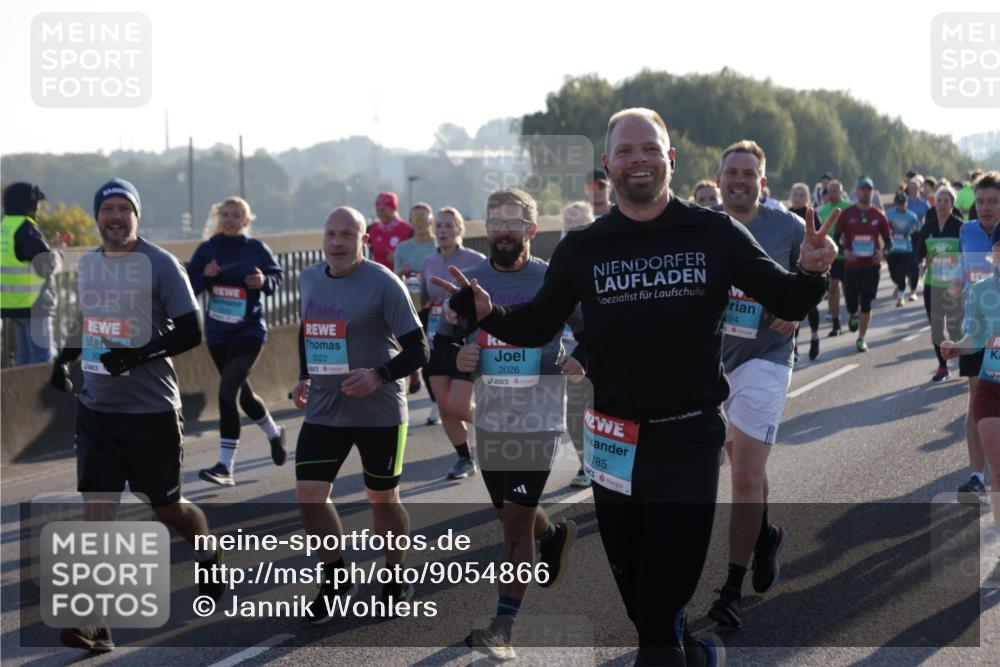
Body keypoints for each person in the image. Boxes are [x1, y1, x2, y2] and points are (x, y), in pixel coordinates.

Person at [435, 108, 836, 666]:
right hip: (612, 441)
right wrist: (488, 313)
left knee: (655, 624)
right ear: (608, 166)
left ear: (670, 159)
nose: (638, 160)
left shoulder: (714, 232)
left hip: (687, 438)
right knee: (643, 609)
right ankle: (692, 653)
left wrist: (813, 272)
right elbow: (535, 325)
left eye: (649, 148)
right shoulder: (583, 247)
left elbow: (787, 299)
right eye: (625, 152)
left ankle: (671, 649)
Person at [49, 178, 224, 652]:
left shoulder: (160, 265)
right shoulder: (89, 264)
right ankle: (93, 622)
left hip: (151, 413)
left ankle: (207, 552)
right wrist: (63, 360)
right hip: (97, 411)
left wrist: (137, 356)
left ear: (137, 216)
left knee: (167, 507)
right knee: (97, 515)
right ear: (97, 216)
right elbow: (88, 320)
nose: (116, 216)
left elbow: (191, 331)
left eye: (125, 208)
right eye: (108, 208)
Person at [433, 188, 579, 662]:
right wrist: (461, 354)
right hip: (490, 415)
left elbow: (588, 329)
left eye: (513, 222)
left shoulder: (554, 278)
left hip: (539, 416)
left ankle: (502, 626)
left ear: (531, 231)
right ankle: (553, 535)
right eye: (495, 222)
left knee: (513, 524)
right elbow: (442, 344)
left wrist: (572, 357)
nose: (502, 230)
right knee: (511, 514)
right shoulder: (469, 279)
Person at [292, 206, 430, 623]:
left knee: (382, 501)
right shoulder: (310, 278)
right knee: (309, 497)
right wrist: (303, 375)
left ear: (364, 240)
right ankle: (336, 576)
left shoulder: (384, 284)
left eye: (346, 235)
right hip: (325, 408)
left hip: (380, 411)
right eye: (330, 234)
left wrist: (379, 375)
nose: (336, 242)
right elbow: (308, 329)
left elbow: (419, 349)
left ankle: (394, 572)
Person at [706, 141, 804, 630]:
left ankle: (729, 591)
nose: (740, 181)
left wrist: (797, 308)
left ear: (762, 182)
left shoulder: (788, 226)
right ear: (719, 179)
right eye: (732, 173)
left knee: (742, 475)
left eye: (749, 174)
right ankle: (764, 535)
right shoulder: (701, 224)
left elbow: (814, 276)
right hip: (714, 363)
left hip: (767, 359)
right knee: (745, 464)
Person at [186, 197, 286, 487]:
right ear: (219, 218)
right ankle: (274, 432)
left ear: (246, 220)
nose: (230, 219)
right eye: (225, 215)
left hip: (249, 331)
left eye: (236, 215)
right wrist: (205, 276)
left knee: (227, 392)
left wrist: (262, 282)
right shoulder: (207, 249)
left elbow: (276, 277)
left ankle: (225, 467)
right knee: (243, 394)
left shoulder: (255, 249)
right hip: (218, 334)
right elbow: (190, 286)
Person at [941, 221, 1000, 559]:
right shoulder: (980, 292)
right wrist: (956, 347)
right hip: (991, 386)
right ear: (993, 253)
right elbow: (976, 338)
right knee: (997, 465)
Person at [419, 207, 485, 476]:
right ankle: (465, 458)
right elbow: (423, 302)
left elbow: (486, 301)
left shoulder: (476, 260)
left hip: (465, 342)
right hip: (436, 341)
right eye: (439, 225)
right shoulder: (428, 262)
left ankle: (498, 427)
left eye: (448, 225)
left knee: (459, 405)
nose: (442, 230)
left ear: (459, 229)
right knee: (445, 407)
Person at [948, 171, 1000, 499]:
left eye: (993, 201)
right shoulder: (966, 231)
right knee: (976, 397)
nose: (985, 207)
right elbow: (963, 266)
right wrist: (956, 282)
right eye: (980, 201)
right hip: (977, 327)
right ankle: (976, 475)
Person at [1, 182, 62, 365]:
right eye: (37, 203)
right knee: (42, 358)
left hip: (12, 304)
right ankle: (40, 394)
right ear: (30, 205)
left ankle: (23, 394)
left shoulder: (5, 227)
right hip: (34, 304)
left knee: (23, 358)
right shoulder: (25, 228)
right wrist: (58, 253)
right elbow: (45, 265)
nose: (39, 207)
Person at [833, 177, 892, 352]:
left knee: (866, 302)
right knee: (851, 302)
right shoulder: (847, 214)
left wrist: (882, 252)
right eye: (862, 189)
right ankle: (852, 314)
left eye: (868, 190)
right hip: (851, 267)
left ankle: (861, 338)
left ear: (872, 193)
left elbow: (889, 243)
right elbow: (835, 240)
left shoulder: (879, 215)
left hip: (871, 266)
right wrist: (845, 252)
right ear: (856, 192)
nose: (865, 193)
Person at [915, 184, 964, 382]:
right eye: (939, 200)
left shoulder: (960, 226)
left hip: (955, 286)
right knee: (936, 327)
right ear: (935, 204)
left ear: (952, 204)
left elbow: (967, 255)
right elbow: (918, 253)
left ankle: (962, 356)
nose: (942, 204)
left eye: (947, 200)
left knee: (954, 328)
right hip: (932, 284)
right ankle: (943, 366)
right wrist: (919, 264)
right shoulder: (928, 227)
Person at [394, 202, 438, 396]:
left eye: (424, 218)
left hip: (436, 306)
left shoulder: (439, 245)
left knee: (433, 351)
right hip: (412, 305)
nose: (420, 223)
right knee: (417, 350)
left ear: (432, 220)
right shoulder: (403, 249)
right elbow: (395, 279)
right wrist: (402, 273)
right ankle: (419, 379)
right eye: (416, 219)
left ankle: (435, 400)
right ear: (410, 222)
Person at [788, 183, 821, 361]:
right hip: (792, 264)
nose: (798, 197)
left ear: (807, 197)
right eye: (795, 194)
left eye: (802, 194)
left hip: (811, 265)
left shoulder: (812, 214)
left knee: (810, 305)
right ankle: (795, 345)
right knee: (795, 306)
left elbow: (822, 237)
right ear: (790, 196)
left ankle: (815, 336)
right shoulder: (787, 214)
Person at [818, 179, 852, 336]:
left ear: (841, 191)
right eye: (829, 191)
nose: (832, 194)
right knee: (832, 288)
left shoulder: (850, 207)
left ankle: (853, 313)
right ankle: (836, 323)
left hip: (849, 254)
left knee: (850, 289)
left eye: (835, 191)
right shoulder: (823, 211)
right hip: (832, 256)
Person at [886, 192, 921, 306]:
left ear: (906, 203)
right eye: (899, 203)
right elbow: (884, 229)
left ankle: (901, 296)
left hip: (906, 248)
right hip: (892, 248)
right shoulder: (889, 214)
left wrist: (912, 232)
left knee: (901, 272)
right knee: (893, 273)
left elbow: (917, 229)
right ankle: (900, 284)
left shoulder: (912, 216)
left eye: (903, 203)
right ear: (896, 203)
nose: (901, 205)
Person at [367, 192, 413, 272]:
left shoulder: (408, 229)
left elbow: (415, 255)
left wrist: (398, 259)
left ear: (393, 209)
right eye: (378, 210)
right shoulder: (371, 229)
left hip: (400, 277)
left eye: (383, 209)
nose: (381, 213)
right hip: (377, 275)